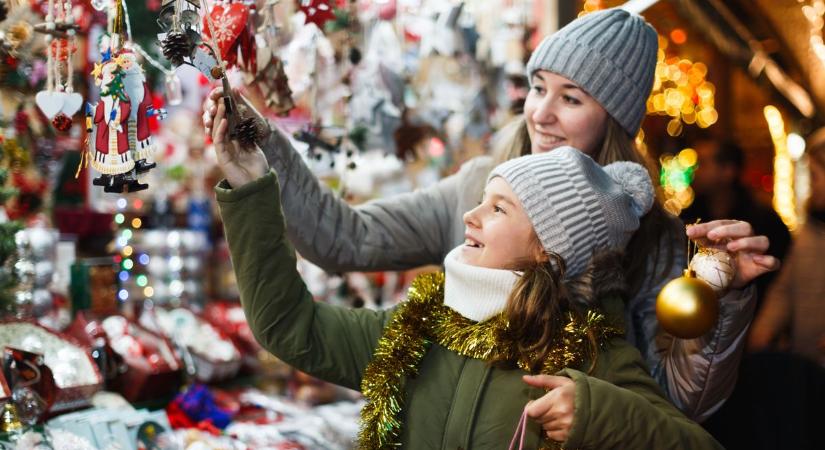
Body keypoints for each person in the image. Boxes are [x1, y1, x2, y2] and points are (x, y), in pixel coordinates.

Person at [203, 8, 778, 421]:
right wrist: (260, 147)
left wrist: (720, 301)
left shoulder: (650, 237)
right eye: (536, 87)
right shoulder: (481, 186)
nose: (541, 114)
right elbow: (344, 239)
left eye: (571, 99)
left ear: (614, 122)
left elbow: (675, 408)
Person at [215, 131, 723, 448]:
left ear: (549, 248)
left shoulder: (595, 358)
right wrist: (248, 188)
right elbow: (288, 327)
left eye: (499, 208)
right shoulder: (416, 330)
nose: (470, 215)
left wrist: (601, 414)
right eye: (483, 200)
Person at [681, 138, 791, 307]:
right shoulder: (687, 219)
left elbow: (781, 285)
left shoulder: (764, 220)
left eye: (702, 163)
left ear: (728, 171)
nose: (695, 171)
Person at [748, 127, 825, 364]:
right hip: (809, 360)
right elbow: (786, 287)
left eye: (815, 176)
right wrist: (765, 328)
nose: (811, 185)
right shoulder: (811, 228)